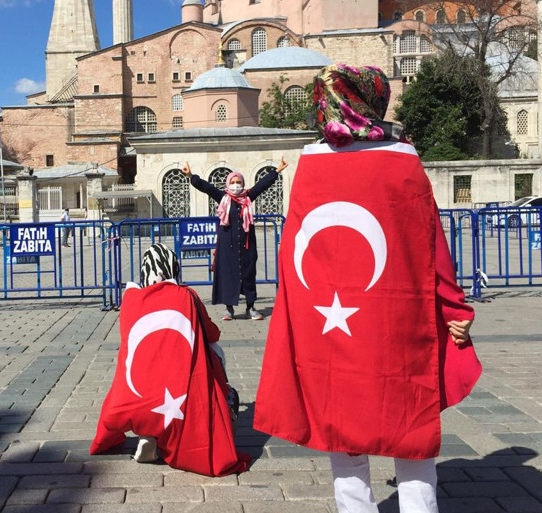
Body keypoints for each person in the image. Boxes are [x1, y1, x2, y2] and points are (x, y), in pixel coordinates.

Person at [254, 64, 482, 513]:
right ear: (372, 101)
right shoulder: (402, 159)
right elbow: (430, 241)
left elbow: (292, 253)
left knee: (341, 423)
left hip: (328, 325)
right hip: (397, 321)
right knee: (410, 420)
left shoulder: (310, 163)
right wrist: (455, 308)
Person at [91, 243, 247, 476]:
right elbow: (212, 334)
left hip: (134, 400)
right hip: (177, 402)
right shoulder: (186, 296)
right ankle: (204, 417)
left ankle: (149, 434)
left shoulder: (130, 300)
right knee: (213, 350)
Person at [182, 159, 287, 321]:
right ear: (228, 183)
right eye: (233, 182)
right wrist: (190, 175)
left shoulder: (248, 197)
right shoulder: (224, 197)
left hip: (246, 244)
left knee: (248, 273)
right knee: (228, 275)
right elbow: (206, 187)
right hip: (227, 246)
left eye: (238, 182)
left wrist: (277, 170)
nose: (236, 185)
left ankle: (250, 307)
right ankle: (229, 309)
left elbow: (262, 185)